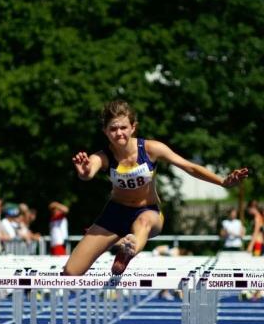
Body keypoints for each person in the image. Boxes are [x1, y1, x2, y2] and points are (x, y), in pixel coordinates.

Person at [62, 99, 248, 277]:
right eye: (113, 128)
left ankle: (128, 250)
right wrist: (84, 171)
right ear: (105, 131)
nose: (119, 133)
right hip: (114, 214)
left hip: (147, 211)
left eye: (123, 127)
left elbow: (189, 166)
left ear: (133, 127)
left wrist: (222, 181)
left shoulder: (150, 149)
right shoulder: (103, 156)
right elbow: (88, 171)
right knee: (71, 272)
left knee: (143, 223)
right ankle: (121, 241)